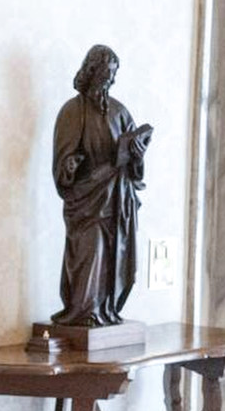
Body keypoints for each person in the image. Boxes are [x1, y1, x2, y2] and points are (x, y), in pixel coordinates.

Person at [49, 44, 152, 328]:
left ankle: (106, 311)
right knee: (90, 254)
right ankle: (84, 313)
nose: (111, 80)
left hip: (118, 200)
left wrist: (137, 157)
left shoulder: (120, 112)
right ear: (92, 71)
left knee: (117, 264)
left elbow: (136, 173)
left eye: (114, 75)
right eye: (107, 73)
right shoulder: (73, 111)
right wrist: (69, 167)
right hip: (88, 200)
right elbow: (62, 161)